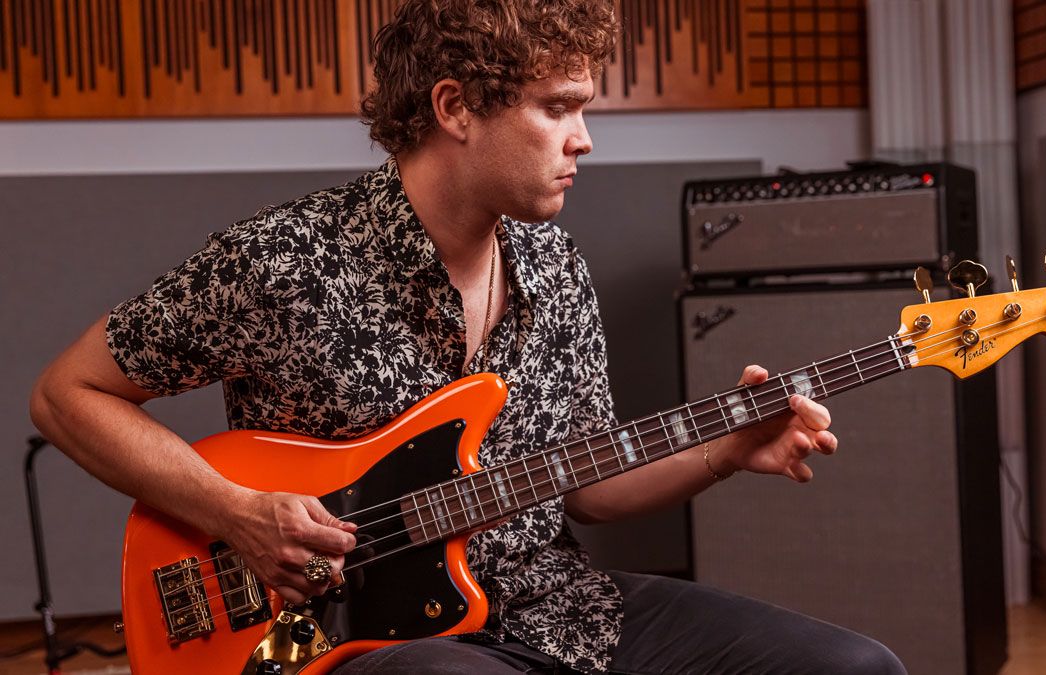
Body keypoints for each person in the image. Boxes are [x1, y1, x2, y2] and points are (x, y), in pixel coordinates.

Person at [29, 1, 906, 673]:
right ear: (457, 107)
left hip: (554, 601)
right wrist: (238, 514)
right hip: (361, 638)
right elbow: (67, 394)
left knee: (857, 667)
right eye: (559, 107)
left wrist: (725, 447)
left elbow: (586, 484)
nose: (585, 139)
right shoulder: (284, 258)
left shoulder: (556, 266)